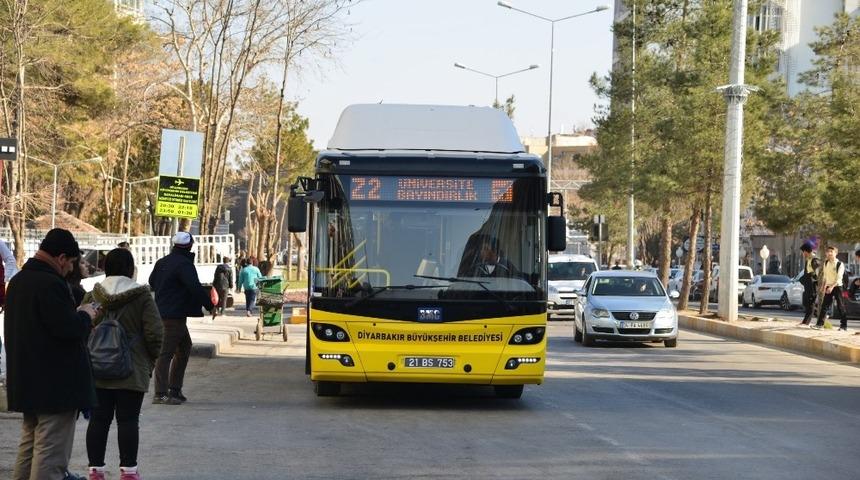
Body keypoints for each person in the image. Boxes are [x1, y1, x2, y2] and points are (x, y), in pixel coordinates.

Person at [5, 228, 100, 480]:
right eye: (70, 262)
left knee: (29, 447)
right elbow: (68, 329)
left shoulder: (18, 281)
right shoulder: (50, 284)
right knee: (50, 454)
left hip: (28, 382)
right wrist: (85, 314)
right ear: (61, 258)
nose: (70, 269)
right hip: (55, 388)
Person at [84, 249, 163, 480]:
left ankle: (95, 470)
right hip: (131, 369)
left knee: (99, 420)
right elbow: (155, 333)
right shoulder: (142, 296)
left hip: (97, 369)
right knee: (128, 420)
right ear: (131, 269)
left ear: (106, 267)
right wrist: (149, 361)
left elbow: (82, 327)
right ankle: (128, 471)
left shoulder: (92, 296)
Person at [148, 232, 213, 405]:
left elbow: (152, 281)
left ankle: (175, 390)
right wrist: (209, 304)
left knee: (184, 348)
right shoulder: (184, 264)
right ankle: (161, 393)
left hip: (165, 313)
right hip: (173, 316)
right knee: (166, 353)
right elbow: (194, 287)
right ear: (190, 246)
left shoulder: (162, 262)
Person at [813, 245, 847, 331]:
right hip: (828, 286)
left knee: (840, 306)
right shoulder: (826, 263)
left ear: (836, 253)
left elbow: (839, 278)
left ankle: (844, 326)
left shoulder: (840, 264)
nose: (829, 253)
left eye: (831, 252)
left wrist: (831, 287)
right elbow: (825, 277)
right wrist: (824, 287)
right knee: (824, 306)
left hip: (837, 287)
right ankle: (819, 325)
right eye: (828, 252)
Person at [798, 241, 820, 326]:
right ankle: (808, 320)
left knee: (811, 303)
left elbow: (817, 274)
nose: (803, 254)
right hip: (807, 285)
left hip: (812, 286)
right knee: (807, 303)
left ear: (806, 251)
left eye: (803, 252)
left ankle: (806, 322)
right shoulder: (808, 260)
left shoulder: (815, 260)